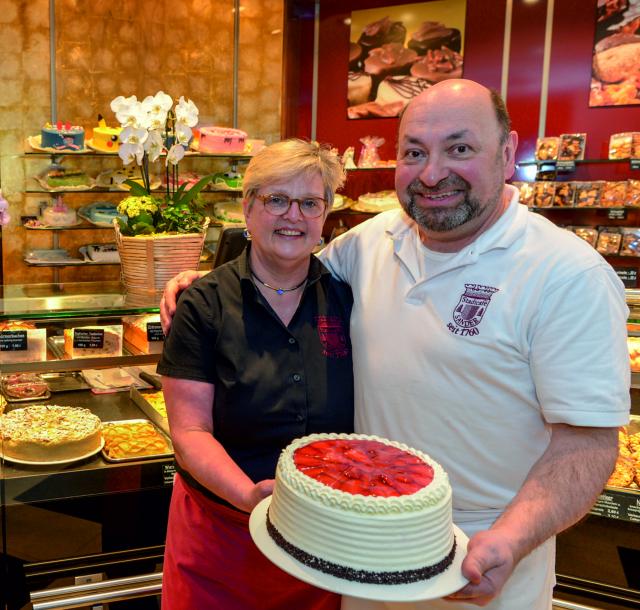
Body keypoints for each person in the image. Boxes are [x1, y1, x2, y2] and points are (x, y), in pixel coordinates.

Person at [161, 80, 630, 609]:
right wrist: (204, 284)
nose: (433, 173)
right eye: (414, 152)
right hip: (361, 553)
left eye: (459, 148)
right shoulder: (370, 243)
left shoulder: (567, 274)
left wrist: (513, 537)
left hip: (482, 562)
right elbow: (281, 268)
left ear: (506, 154)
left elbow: (587, 443)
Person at [157, 139, 354, 610]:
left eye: (310, 203)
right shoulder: (203, 303)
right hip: (220, 539)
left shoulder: (348, 298)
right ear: (248, 208)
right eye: (276, 200)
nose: (294, 216)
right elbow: (189, 430)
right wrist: (248, 495)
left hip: (318, 539)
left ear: (325, 215)